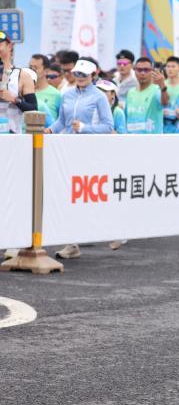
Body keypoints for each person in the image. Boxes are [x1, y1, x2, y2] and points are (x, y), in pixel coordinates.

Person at [47, 58, 113, 260]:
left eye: (84, 74)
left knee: (80, 195)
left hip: (87, 151)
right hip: (66, 149)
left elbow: (108, 126)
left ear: (93, 75)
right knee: (65, 193)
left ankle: (83, 237)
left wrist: (85, 128)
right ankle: (71, 241)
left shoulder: (99, 97)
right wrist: (49, 130)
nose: (80, 77)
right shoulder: (66, 94)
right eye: (77, 73)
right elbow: (61, 121)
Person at [0, 31, 37, 134]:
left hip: (13, 136)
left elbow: (34, 109)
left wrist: (14, 99)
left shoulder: (22, 75)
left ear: (9, 46)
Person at [124, 57, 168, 134]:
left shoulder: (157, 90)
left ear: (152, 71)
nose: (142, 73)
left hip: (152, 140)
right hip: (131, 139)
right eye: (139, 70)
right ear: (134, 71)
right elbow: (126, 118)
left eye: (146, 70)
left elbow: (165, 103)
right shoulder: (130, 92)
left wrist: (163, 87)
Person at [30, 54, 61, 128]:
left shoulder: (56, 94)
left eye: (36, 68)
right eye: (30, 67)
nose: (31, 70)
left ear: (46, 71)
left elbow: (61, 122)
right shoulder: (23, 92)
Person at [163, 56, 179, 133]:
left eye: (173, 66)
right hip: (163, 126)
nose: (170, 69)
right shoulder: (161, 85)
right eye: (168, 66)